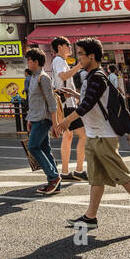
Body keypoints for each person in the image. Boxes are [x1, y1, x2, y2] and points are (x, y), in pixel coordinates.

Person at [55, 37, 130, 233]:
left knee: (122, 175)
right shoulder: (91, 76)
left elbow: (87, 106)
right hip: (94, 135)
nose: (79, 59)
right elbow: (91, 100)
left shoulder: (98, 77)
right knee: (96, 178)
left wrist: (65, 122)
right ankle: (90, 217)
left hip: (104, 135)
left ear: (91, 56)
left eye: (81, 55)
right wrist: (75, 94)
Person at [50, 36, 87, 183]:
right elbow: (63, 76)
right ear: (60, 47)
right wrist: (79, 66)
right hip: (66, 104)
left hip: (67, 103)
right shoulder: (58, 60)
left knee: (68, 136)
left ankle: (65, 171)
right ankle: (78, 170)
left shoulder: (61, 61)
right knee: (83, 135)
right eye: (68, 45)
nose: (70, 48)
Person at [25, 48, 61, 195]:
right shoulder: (33, 77)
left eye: (29, 60)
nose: (27, 63)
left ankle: (53, 177)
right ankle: (55, 183)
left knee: (33, 147)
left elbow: (52, 103)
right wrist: (29, 119)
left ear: (36, 62)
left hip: (42, 119)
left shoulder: (43, 78)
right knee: (45, 149)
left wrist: (55, 124)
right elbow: (33, 101)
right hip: (35, 119)